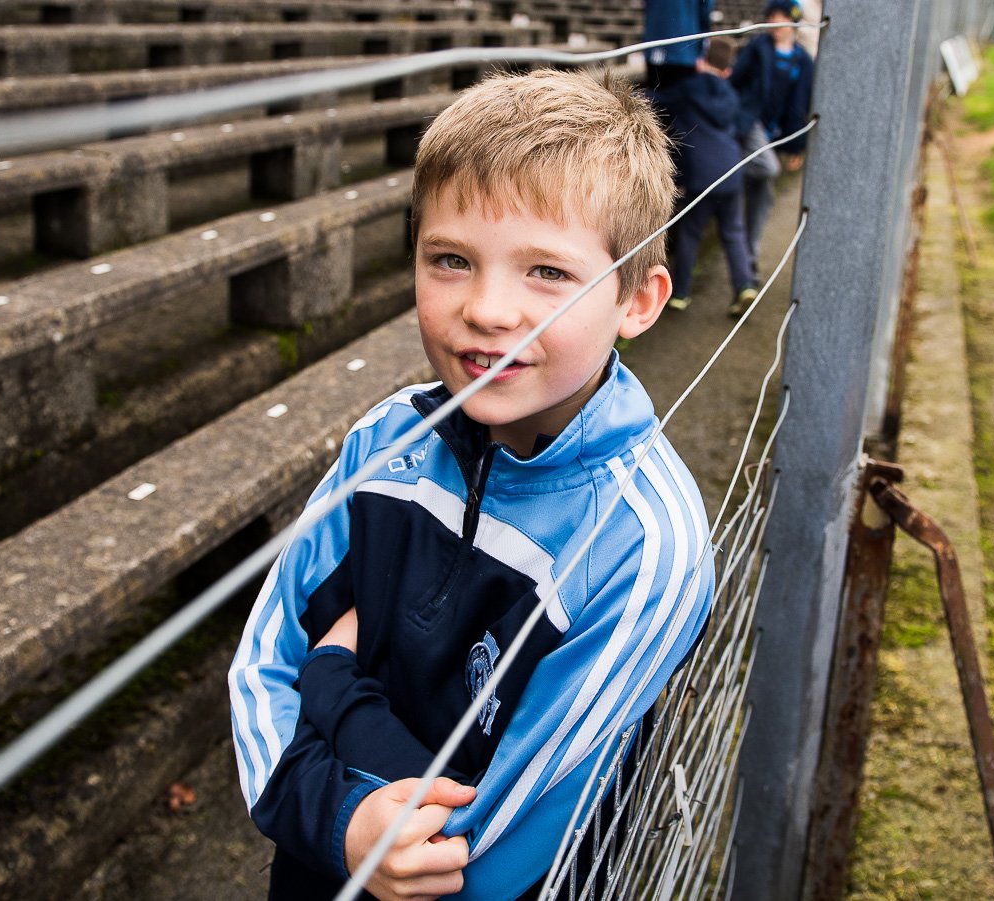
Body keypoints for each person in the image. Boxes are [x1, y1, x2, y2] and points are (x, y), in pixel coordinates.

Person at [229, 70, 716, 901]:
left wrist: (336, 686)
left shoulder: (646, 547)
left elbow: (481, 861)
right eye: (450, 260)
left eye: (547, 274)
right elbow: (258, 666)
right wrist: (342, 825)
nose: (487, 310)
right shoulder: (386, 439)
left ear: (637, 301)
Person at [660, 37, 759, 317]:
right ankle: (744, 285)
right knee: (734, 232)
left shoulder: (689, 88)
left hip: (702, 176)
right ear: (728, 71)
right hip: (730, 170)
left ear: (700, 62)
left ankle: (680, 293)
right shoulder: (730, 95)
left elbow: (657, 99)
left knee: (691, 233)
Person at [731, 0, 815, 276]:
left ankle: (750, 257)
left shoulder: (801, 59)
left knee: (762, 199)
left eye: (781, 17)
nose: (775, 22)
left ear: (792, 21)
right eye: (772, 16)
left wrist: (796, 145)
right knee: (768, 169)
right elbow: (736, 81)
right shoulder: (757, 48)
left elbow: (799, 102)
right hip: (749, 127)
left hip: (771, 134)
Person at [642, 0, 718, 91]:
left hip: (656, 47)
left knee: (654, 100)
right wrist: (701, 51)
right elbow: (705, 11)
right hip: (686, 52)